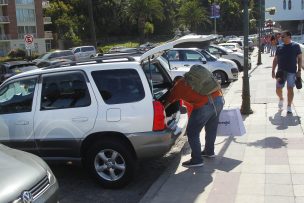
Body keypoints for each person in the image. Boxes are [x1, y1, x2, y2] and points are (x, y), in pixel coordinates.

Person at [164, 67, 224, 168]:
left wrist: (162, 110)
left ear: (174, 82)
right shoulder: (197, 80)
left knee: (192, 132)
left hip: (204, 106)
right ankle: (209, 152)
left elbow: (168, 102)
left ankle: (197, 160)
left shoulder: (177, 87)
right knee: (211, 128)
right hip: (219, 99)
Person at [272, 30, 302, 113]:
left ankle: (289, 106)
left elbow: (300, 59)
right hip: (280, 72)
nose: (281, 38)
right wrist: (273, 70)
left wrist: (299, 70)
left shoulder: (296, 46)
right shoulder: (279, 47)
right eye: (281, 36)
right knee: (278, 88)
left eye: (283, 36)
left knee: (290, 89)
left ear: (289, 36)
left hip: (292, 72)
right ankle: (281, 98)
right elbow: (275, 59)